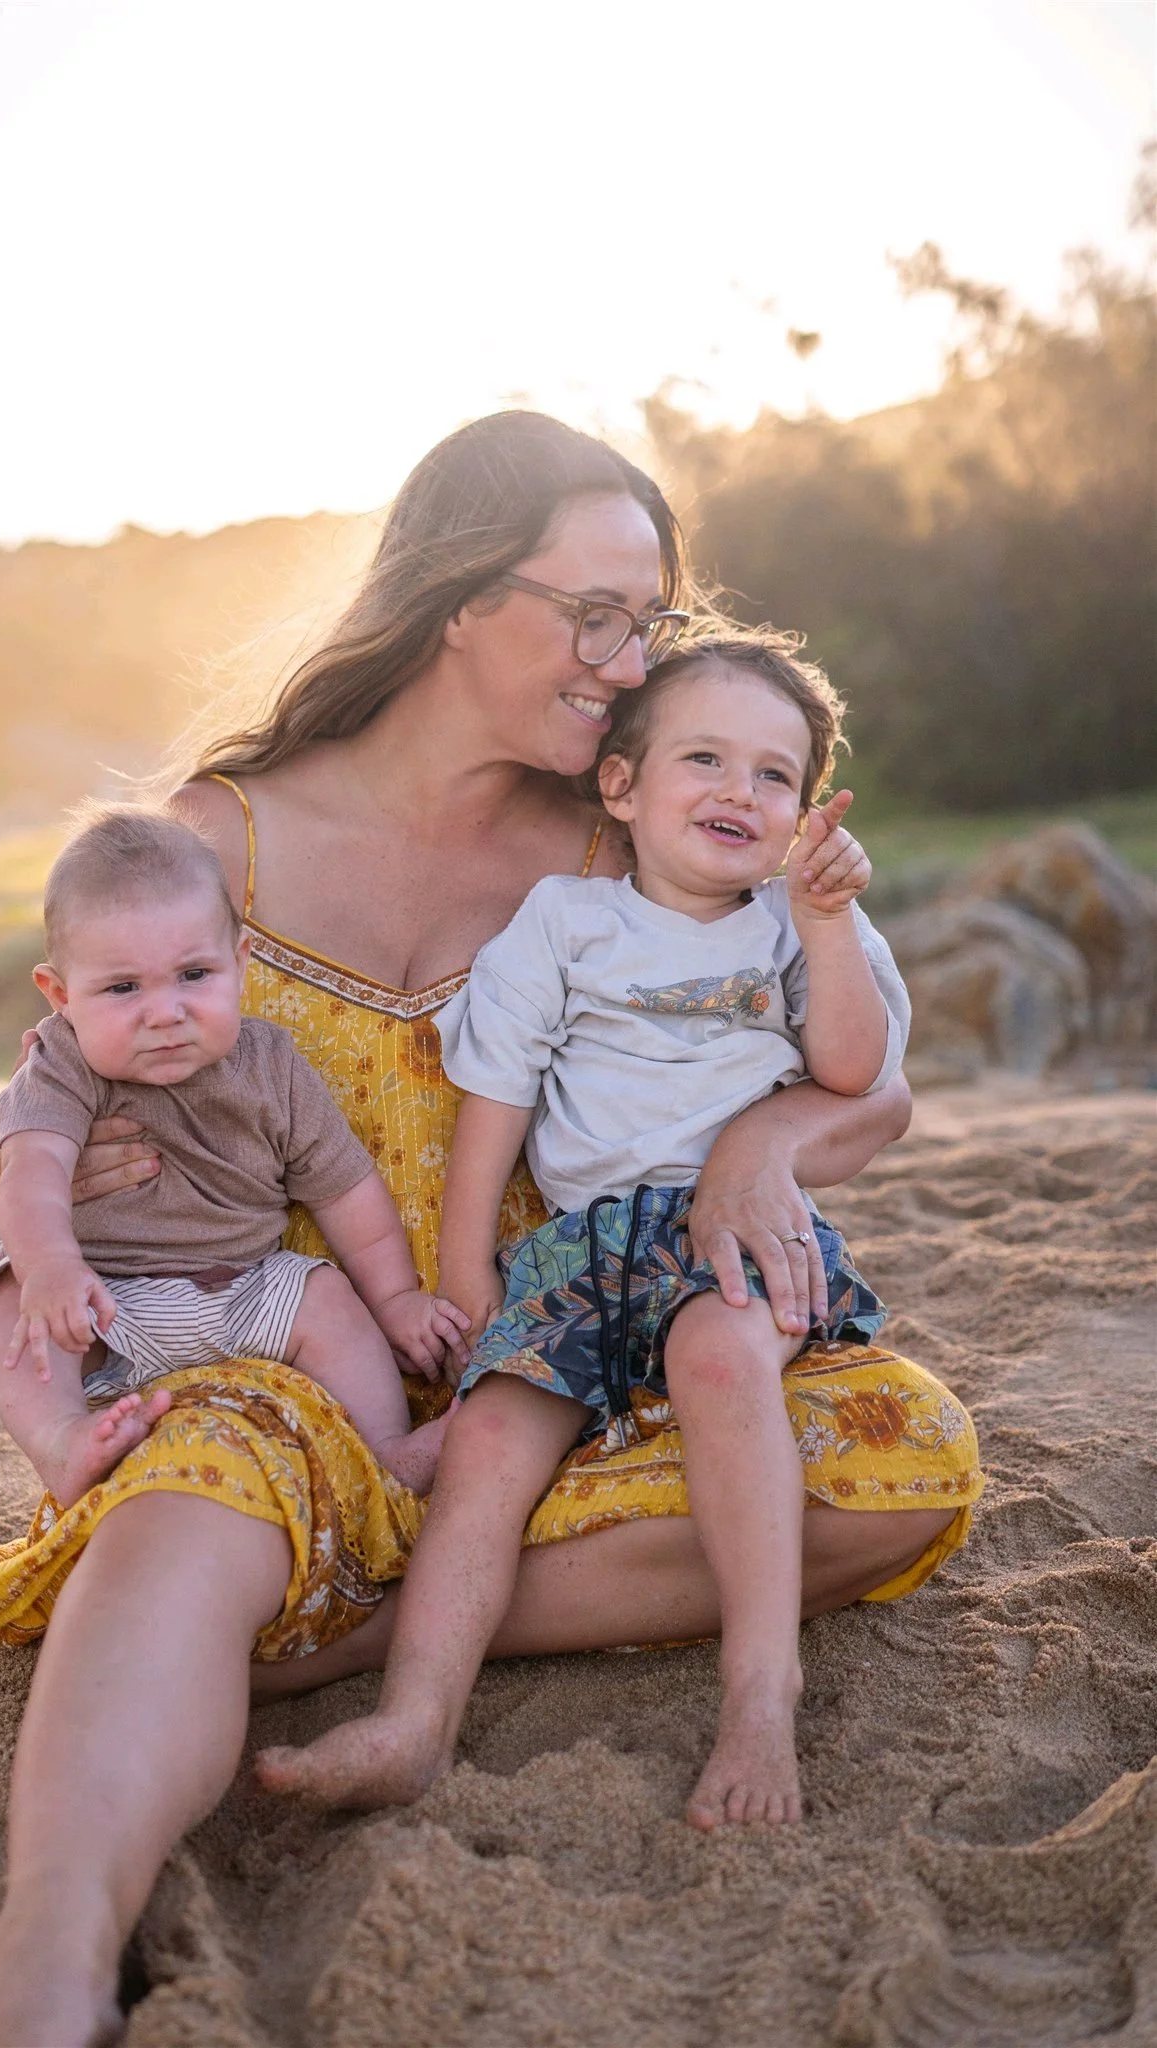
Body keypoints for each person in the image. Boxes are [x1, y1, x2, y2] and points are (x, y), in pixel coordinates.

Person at [0, 412, 981, 2048]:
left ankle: (306, 1620)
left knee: (893, 1450)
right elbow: (62, 1105)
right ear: (453, 599)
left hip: (575, 1373)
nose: (629, 658)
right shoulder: (220, 841)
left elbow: (869, 1083)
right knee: (202, 1484)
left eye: (648, 618)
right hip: (294, 1376)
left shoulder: (625, 833)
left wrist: (762, 1148)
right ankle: (51, 1948)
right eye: (594, 615)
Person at [254, 634, 906, 1829]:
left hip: (735, 1233)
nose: (738, 791)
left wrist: (822, 917)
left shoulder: (795, 922)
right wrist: (465, 1280)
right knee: (492, 1438)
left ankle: (760, 1692)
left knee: (720, 1359)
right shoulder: (567, 919)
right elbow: (492, 1102)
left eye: (775, 776)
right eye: (704, 756)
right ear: (622, 785)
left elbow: (858, 1070)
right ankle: (415, 1718)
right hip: (582, 1244)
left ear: (807, 814)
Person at [0, 803, 464, 1506]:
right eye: (122, 988)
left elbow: (345, 1192)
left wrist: (394, 1300)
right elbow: (33, 1170)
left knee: (326, 1300)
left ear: (238, 964)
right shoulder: (60, 1063)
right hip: (105, 1306)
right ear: (60, 995)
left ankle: (386, 1451)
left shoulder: (271, 1063)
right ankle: (61, 1444)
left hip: (244, 1287)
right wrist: (51, 1267)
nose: (165, 1011)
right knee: (11, 1300)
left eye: (193, 974)